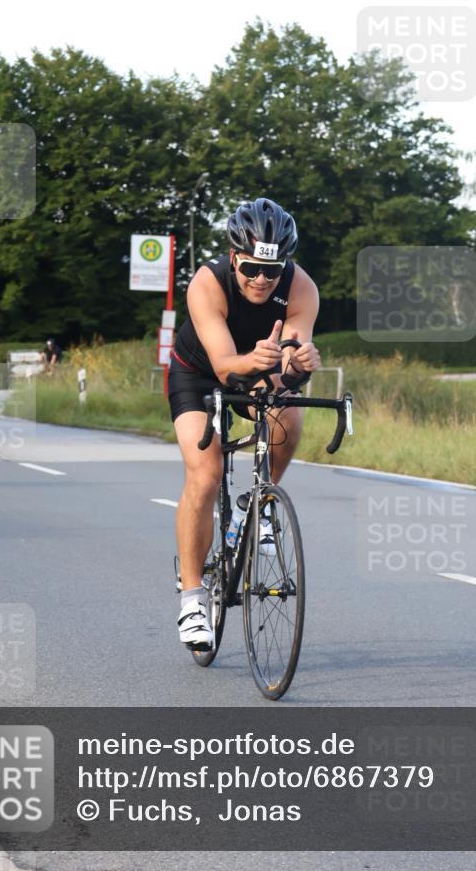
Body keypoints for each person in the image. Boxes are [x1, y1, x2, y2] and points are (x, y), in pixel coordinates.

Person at [168, 198, 321, 651]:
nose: (260, 279)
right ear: (235, 257)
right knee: (205, 471)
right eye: (252, 268)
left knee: (288, 414)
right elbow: (222, 366)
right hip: (197, 374)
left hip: (258, 369)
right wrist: (254, 361)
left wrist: (298, 367)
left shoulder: (302, 289)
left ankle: (255, 503)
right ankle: (193, 598)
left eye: (271, 273)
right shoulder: (207, 283)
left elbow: (286, 368)